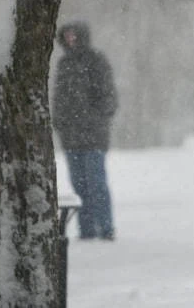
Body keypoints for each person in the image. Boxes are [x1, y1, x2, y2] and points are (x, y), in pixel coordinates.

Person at [53, 21, 118, 240]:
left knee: (96, 183)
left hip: (94, 137)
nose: (71, 41)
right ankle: (87, 230)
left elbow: (109, 98)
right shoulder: (63, 65)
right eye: (67, 37)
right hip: (71, 138)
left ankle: (106, 228)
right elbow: (59, 99)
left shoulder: (97, 61)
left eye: (74, 36)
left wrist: (93, 119)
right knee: (78, 185)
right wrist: (59, 122)